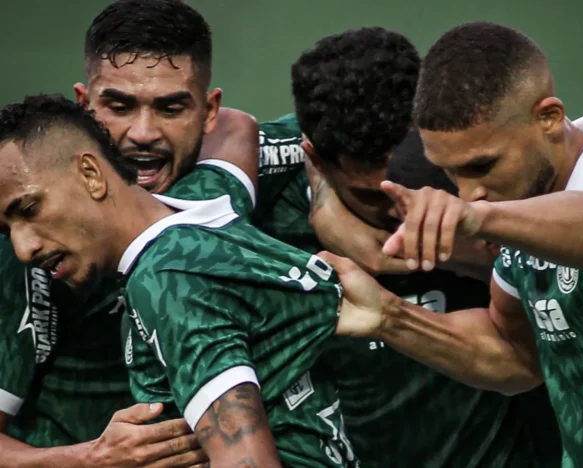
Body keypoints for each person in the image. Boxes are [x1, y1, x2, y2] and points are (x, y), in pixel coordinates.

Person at [321, 21, 583, 467]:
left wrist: (478, 218)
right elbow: (514, 355)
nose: (469, 192)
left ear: (549, 118)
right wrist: (389, 316)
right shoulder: (521, 213)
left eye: (482, 166)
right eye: (450, 173)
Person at [253, 27, 561, 467]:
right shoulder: (265, 199)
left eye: (418, 176)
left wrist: (455, 252)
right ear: (315, 159)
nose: (403, 207)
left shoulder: (489, 171)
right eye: (372, 196)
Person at [0, 94, 358, 467]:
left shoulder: (164, 280)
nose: (22, 249)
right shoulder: (209, 208)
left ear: (91, 174)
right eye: (6, 229)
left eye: (29, 209)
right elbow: (237, 126)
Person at [0, 0, 256, 465]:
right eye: (118, 106)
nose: (143, 133)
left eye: (171, 107)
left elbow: (241, 128)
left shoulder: (208, 199)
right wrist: (92, 459)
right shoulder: (27, 240)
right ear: (84, 106)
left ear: (207, 112)